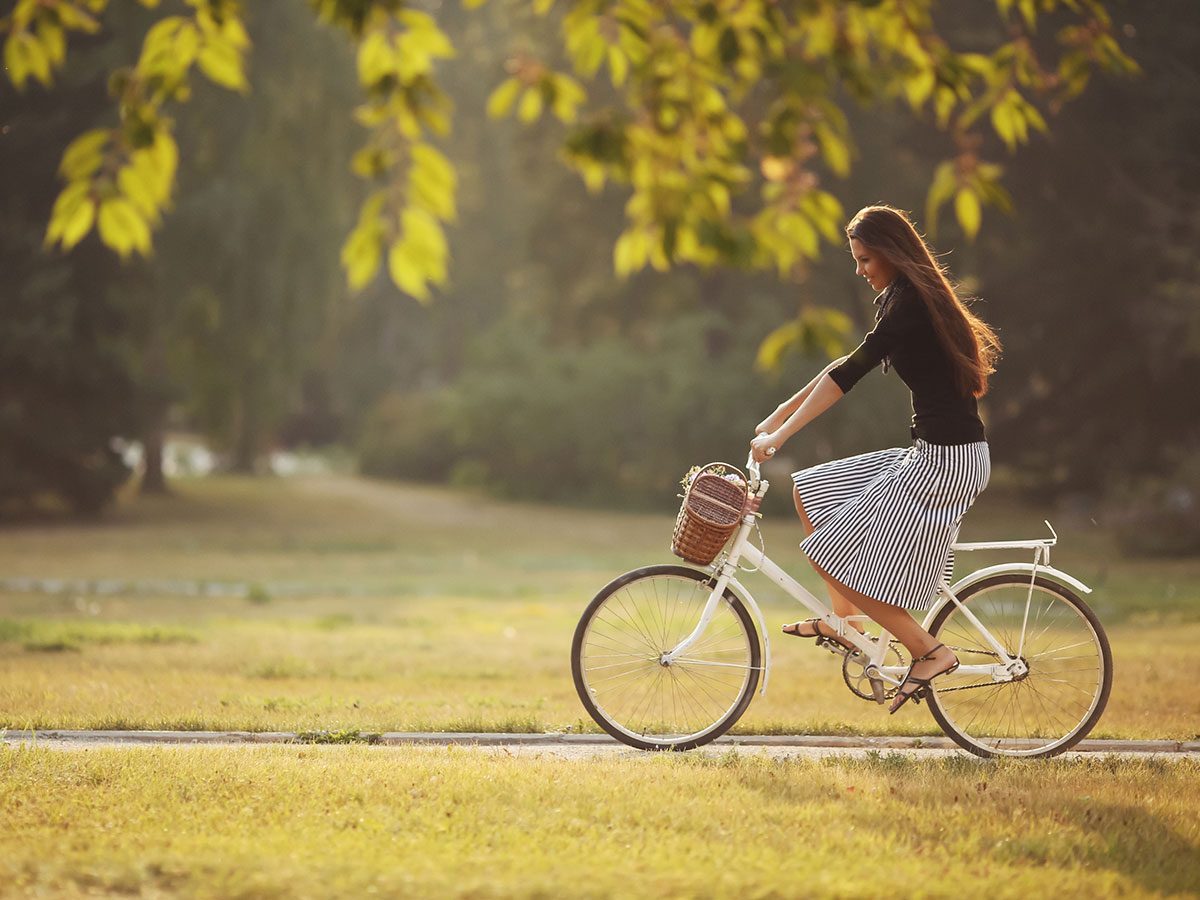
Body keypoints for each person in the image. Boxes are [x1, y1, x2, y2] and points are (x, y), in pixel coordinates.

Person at [749, 204, 1001, 713]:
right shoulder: (899, 300)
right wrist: (781, 411)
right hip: (932, 451)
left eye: (865, 259)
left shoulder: (911, 305)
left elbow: (848, 377)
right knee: (809, 487)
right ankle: (846, 621)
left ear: (888, 254)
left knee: (829, 553)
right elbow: (843, 363)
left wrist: (781, 436)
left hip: (948, 463)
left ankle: (928, 651)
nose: (859, 270)